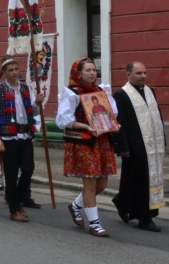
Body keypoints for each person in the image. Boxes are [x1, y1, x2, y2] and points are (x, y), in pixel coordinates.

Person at [56, 58, 118, 238]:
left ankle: (75, 205)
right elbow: (63, 121)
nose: (92, 73)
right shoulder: (72, 93)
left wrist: (114, 124)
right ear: (79, 73)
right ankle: (95, 224)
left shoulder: (101, 91)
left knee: (102, 183)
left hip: (101, 141)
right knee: (90, 183)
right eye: (88, 70)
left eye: (94, 70)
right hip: (84, 142)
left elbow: (112, 113)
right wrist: (86, 127)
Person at [0, 57, 43, 222]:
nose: (14, 72)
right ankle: (14, 209)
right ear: (4, 73)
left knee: (28, 169)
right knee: (10, 174)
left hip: (25, 136)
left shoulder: (26, 88)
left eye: (16, 69)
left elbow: (35, 111)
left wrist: (38, 103)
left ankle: (16, 201)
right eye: (10, 70)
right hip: (8, 137)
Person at [112, 62, 166, 232]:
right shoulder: (121, 95)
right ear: (128, 74)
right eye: (138, 73)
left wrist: (162, 139)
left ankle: (122, 202)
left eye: (144, 72)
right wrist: (123, 148)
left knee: (138, 180)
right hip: (134, 147)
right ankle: (144, 218)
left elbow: (157, 117)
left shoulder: (150, 91)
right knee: (139, 180)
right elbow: (119, 123)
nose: (143, 76)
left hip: (152, 146)